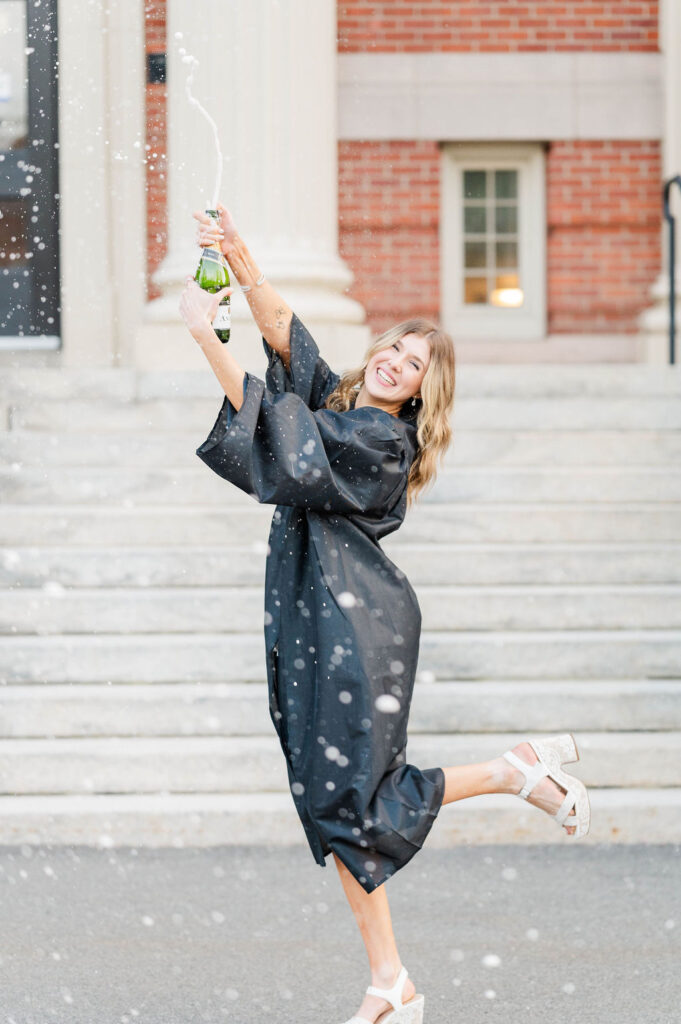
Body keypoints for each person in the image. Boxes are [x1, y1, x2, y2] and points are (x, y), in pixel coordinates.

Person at [178, 203, 591, 1024]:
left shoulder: (382, 444)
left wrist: (204, 339)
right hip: (312, 618)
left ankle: (512, 772)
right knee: (336, 808)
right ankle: (389, 982)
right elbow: (293, 345)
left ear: (421, 396)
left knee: (349, 802)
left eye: (415, 366)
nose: (396, 365)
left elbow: (283, 438)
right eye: (394, 350)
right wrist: (243, 262)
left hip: (353, 625)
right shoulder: (341, 404)